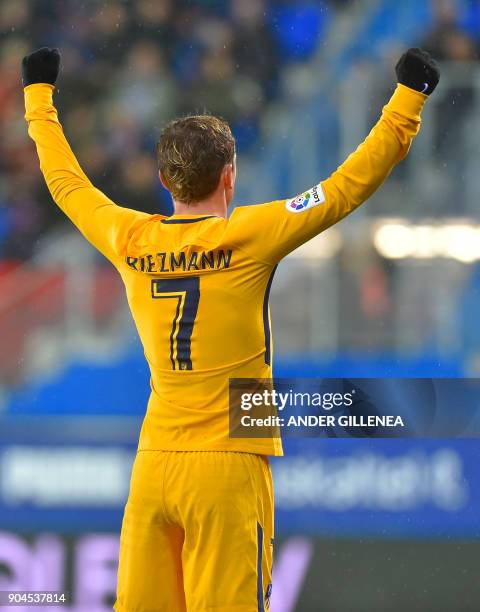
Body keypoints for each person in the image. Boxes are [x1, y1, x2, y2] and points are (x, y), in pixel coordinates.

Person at [22, 46, 439, 612]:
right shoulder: (252, 234)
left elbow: (66, 184)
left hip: (155, 463)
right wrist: (407, 100)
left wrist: (38, 95)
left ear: (166, 180)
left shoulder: (129, 238)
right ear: (229, 175)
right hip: (229, 462)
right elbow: (345, 188)